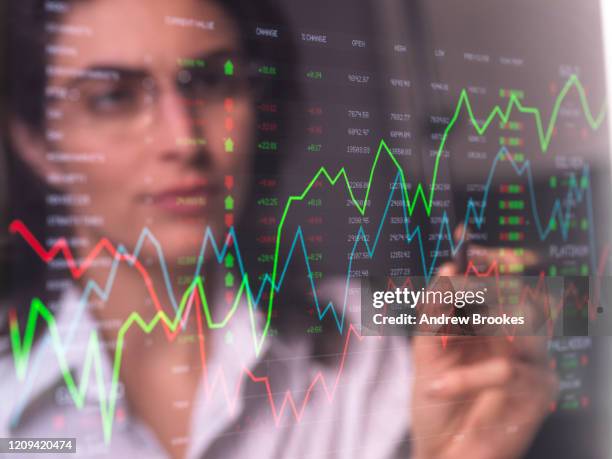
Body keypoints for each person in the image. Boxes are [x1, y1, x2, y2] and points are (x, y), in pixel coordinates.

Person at [0, 0, 557, 458]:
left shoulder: (362, 349)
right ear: (36, 141)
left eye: (214, 81)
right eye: (113, 97)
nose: (184, 140)